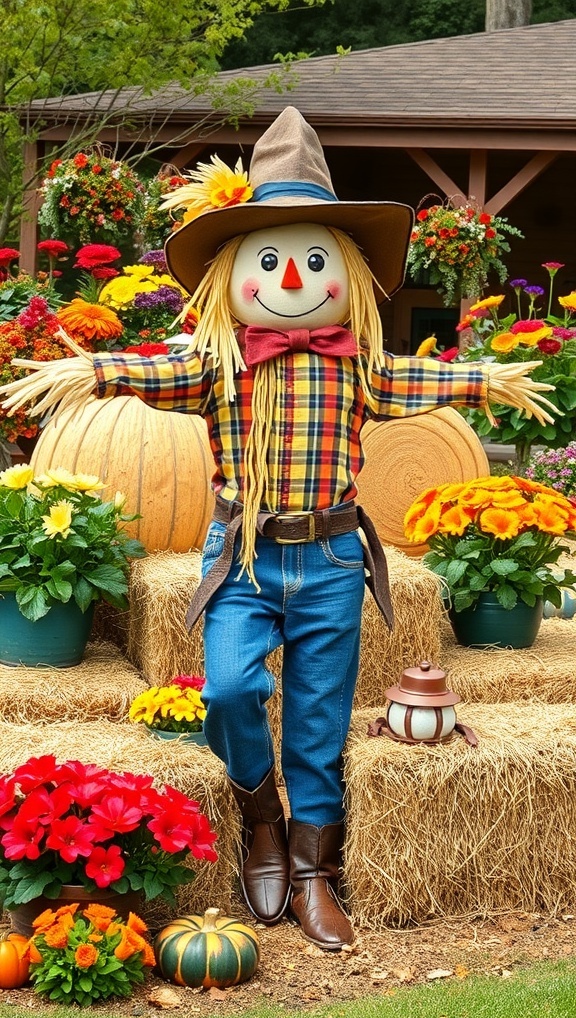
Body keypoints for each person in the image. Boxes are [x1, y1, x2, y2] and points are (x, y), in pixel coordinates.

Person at [0, 106, 557, 951]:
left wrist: (491, 379)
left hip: (332, 553)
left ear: (346, 271)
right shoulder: (215, 363)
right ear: (233, 273)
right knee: (227, 688)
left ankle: (310, 867)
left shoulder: (358, 366)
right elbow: (150, 367)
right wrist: (88, 366)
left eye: (311, 261)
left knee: (320, 714)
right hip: (246, 554)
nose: (292, 280)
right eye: (270, 262)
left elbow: (420, 375)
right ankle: (259, 813)